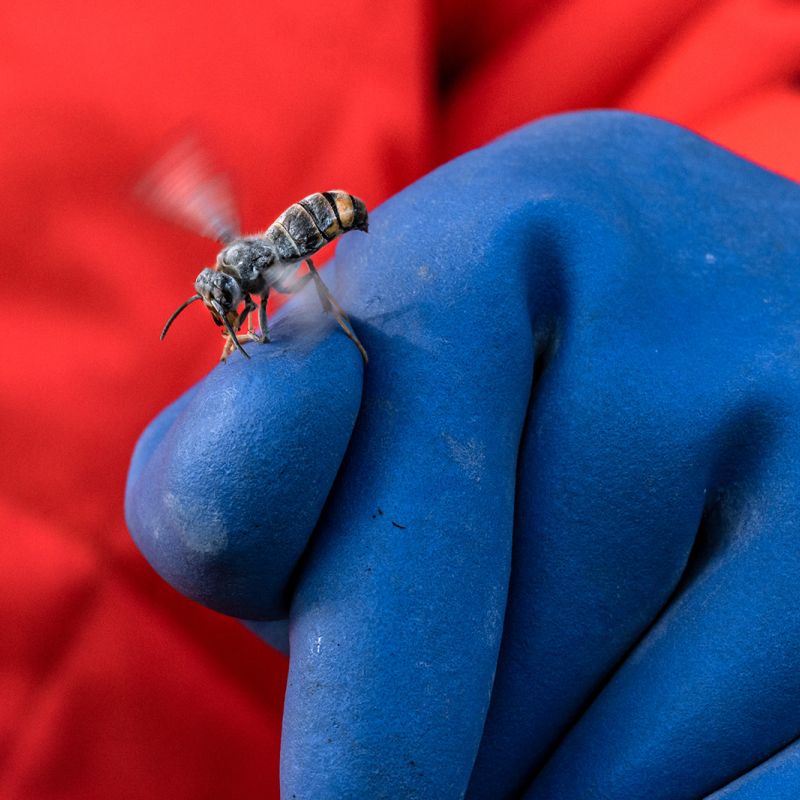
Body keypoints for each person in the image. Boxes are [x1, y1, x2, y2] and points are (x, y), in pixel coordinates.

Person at [127, 111, 800, 799]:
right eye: (224, 306)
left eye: (227, 301)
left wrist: (721, 219)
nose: (227, 310)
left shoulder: (271, 268)